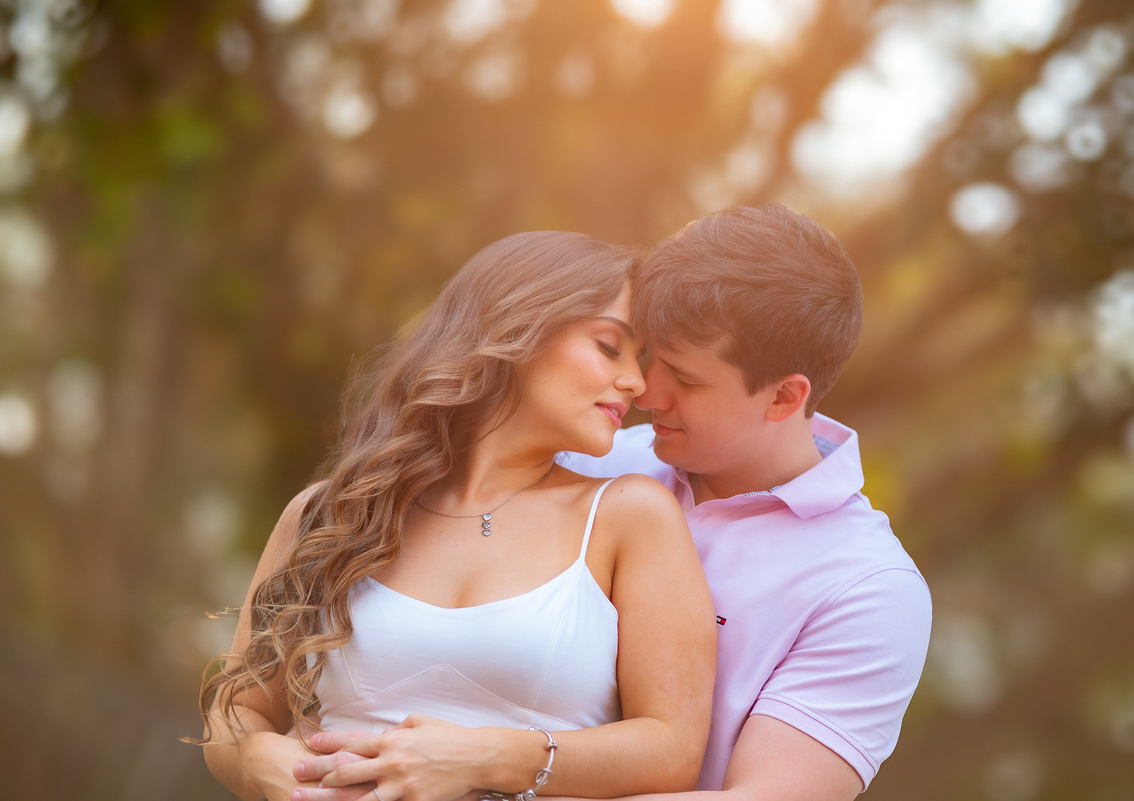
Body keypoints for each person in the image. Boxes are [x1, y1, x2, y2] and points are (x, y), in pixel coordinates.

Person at [195, 231, 717, 801]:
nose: (636, 383)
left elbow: (672, 750)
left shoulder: (629, 516)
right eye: (609, 346)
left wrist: (485, 758)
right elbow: (234, 714)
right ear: (519, 325)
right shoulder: (333, 513)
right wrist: (258, 762)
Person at [556, 204, 933, 800]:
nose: (646, 391)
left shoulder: (867, 588)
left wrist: (499, 780)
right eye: (649, 356)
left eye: (686, 378)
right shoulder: (590, 459)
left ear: (785, 396)